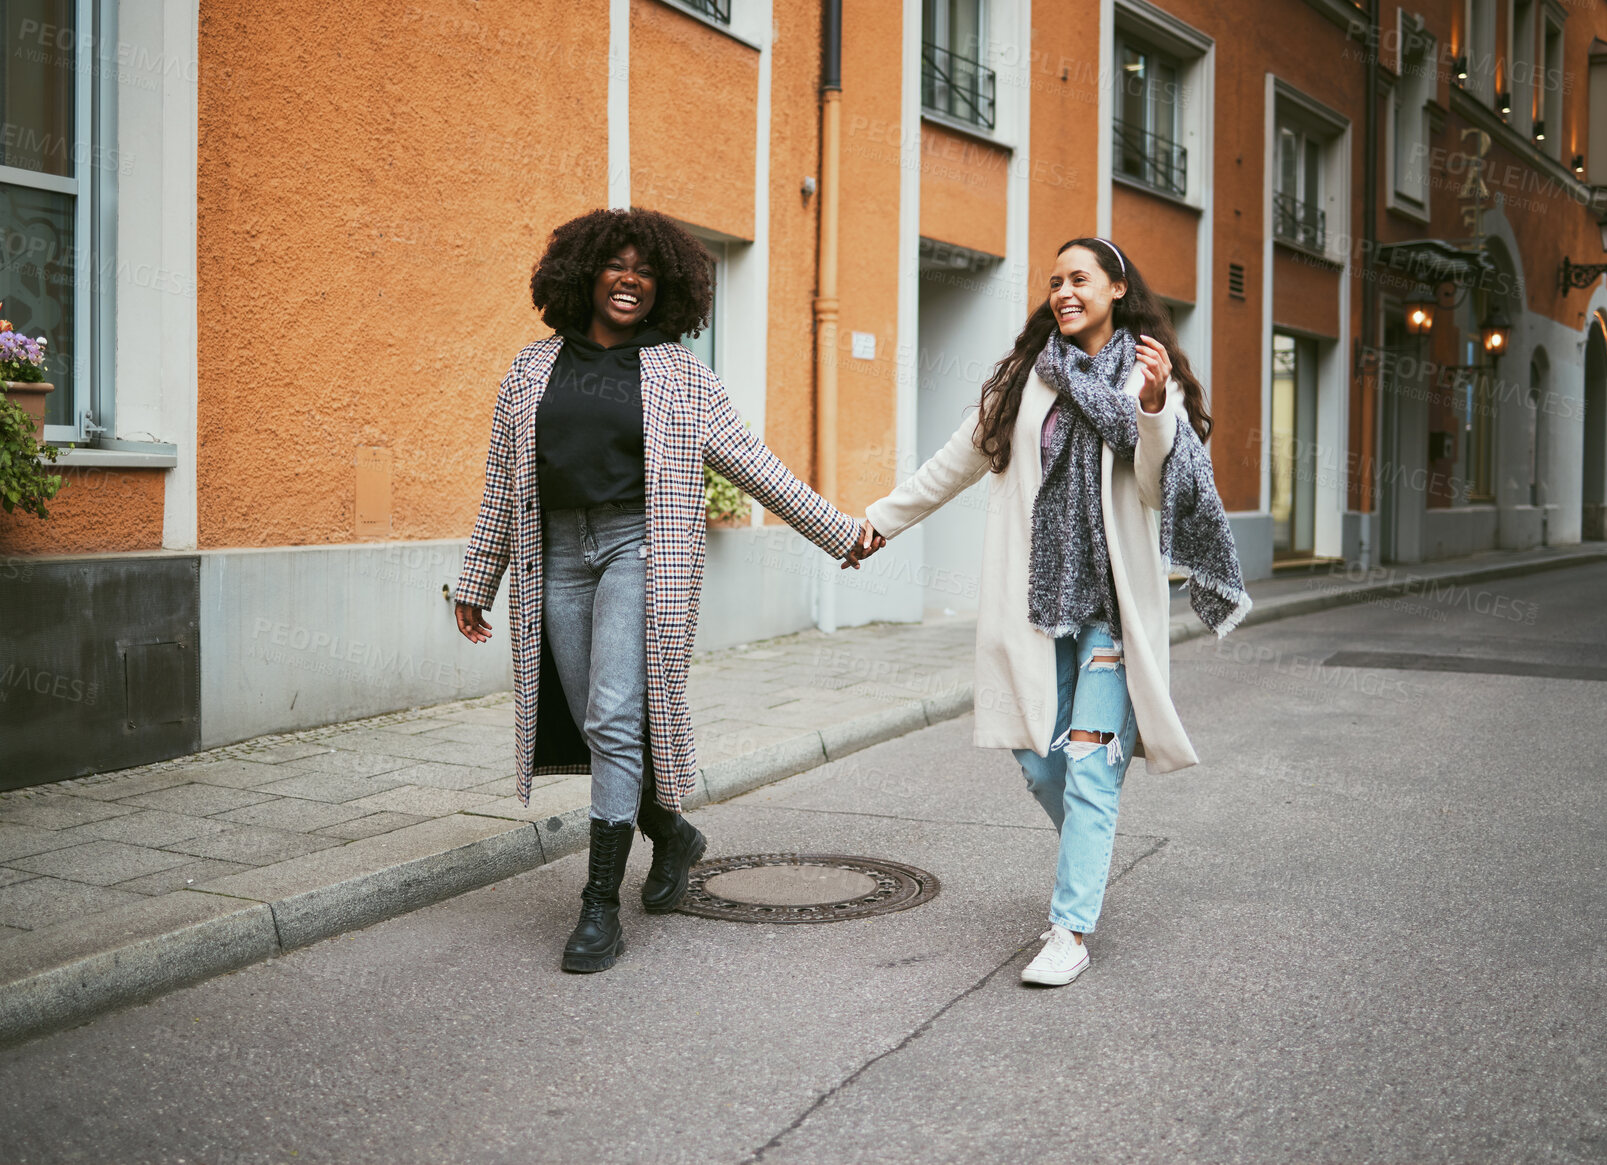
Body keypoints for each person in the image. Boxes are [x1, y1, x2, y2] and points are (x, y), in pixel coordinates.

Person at [455, 208, 868, 974]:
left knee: (615, 715)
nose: (631, 279)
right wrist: (478, 577)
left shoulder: (680, 374)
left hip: (639, 545)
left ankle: (598, 905)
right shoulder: (530, 369)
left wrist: (839, 532)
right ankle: (672, 833)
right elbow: (501, 482)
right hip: (558, 553)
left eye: (646, 270)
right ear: (583, 274)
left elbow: (753, 463)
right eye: (617, 265)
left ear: (665, 287)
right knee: (592, 721)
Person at [849, 237, 1240, 987]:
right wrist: (877, 524)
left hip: (1112, 613)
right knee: (1038, 759)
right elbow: (953, 463)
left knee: (1092, 764)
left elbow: (1163, 493)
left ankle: (1070, 927)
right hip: (1036, 604)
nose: (1063, 290)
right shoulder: (1029, 379)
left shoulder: (1148, 378)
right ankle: (1087, 854)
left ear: (1117, 287)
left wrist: (1155, 411)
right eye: (1055, 281)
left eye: (1080, 278)